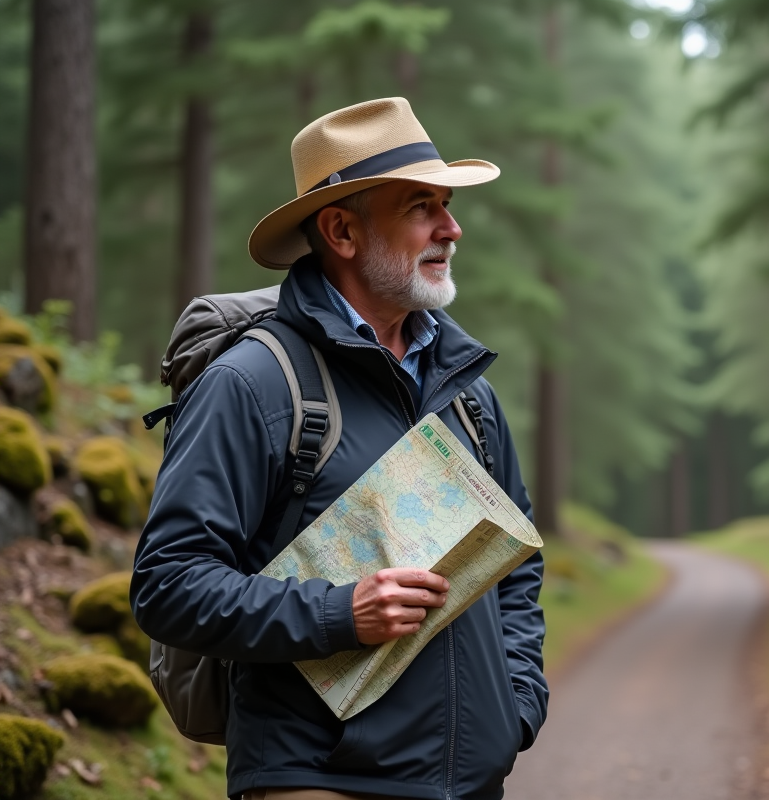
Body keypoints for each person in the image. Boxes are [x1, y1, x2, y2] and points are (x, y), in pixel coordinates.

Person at [130, 97, 547, 800]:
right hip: (316, 781)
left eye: (447, 205)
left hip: (472, 783)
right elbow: (168, 585)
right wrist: (339, 614)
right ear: (342, 230)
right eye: (423, 207)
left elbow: (515, 572)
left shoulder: (468, 394)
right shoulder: (254, 382)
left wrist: (515, 707)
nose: (453, 227)